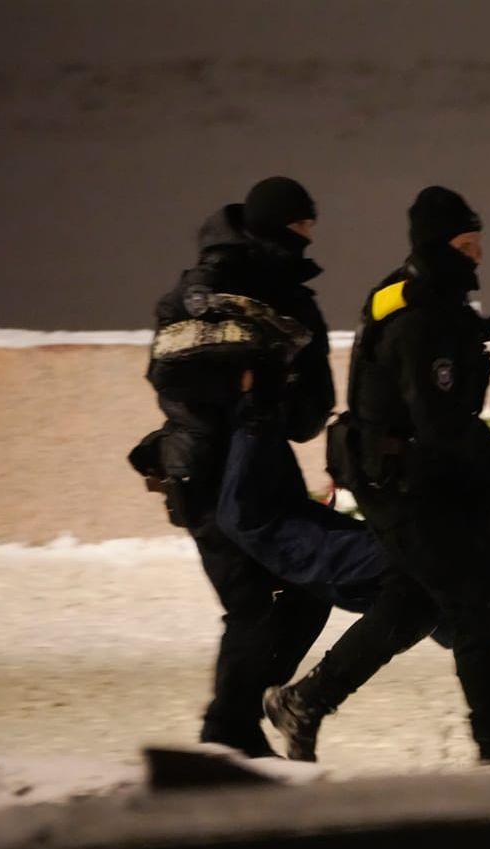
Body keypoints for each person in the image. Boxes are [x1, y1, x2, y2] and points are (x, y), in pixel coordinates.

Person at [261, 186, 490, 765]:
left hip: (421, 478)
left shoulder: (441, 307)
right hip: (401, 485)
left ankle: (304, 701)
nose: (478, 254)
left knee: (411, 605)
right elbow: (442, 427)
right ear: (438, 246)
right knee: (472, 609)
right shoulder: (419, 319)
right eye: (466, 243)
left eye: (479, 241)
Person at [133, 176, 334, 758]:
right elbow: (172, 375)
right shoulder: (209, 287)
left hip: (256, 469)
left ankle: (237, 719)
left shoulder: (282, 295)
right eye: (299, 228)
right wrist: (248, 387)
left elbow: (308, 411)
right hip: (208, 471)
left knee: (309, 585)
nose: (306, 239)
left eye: (309, 229)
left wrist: (272, 393)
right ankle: (229, 731)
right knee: (251, 606)